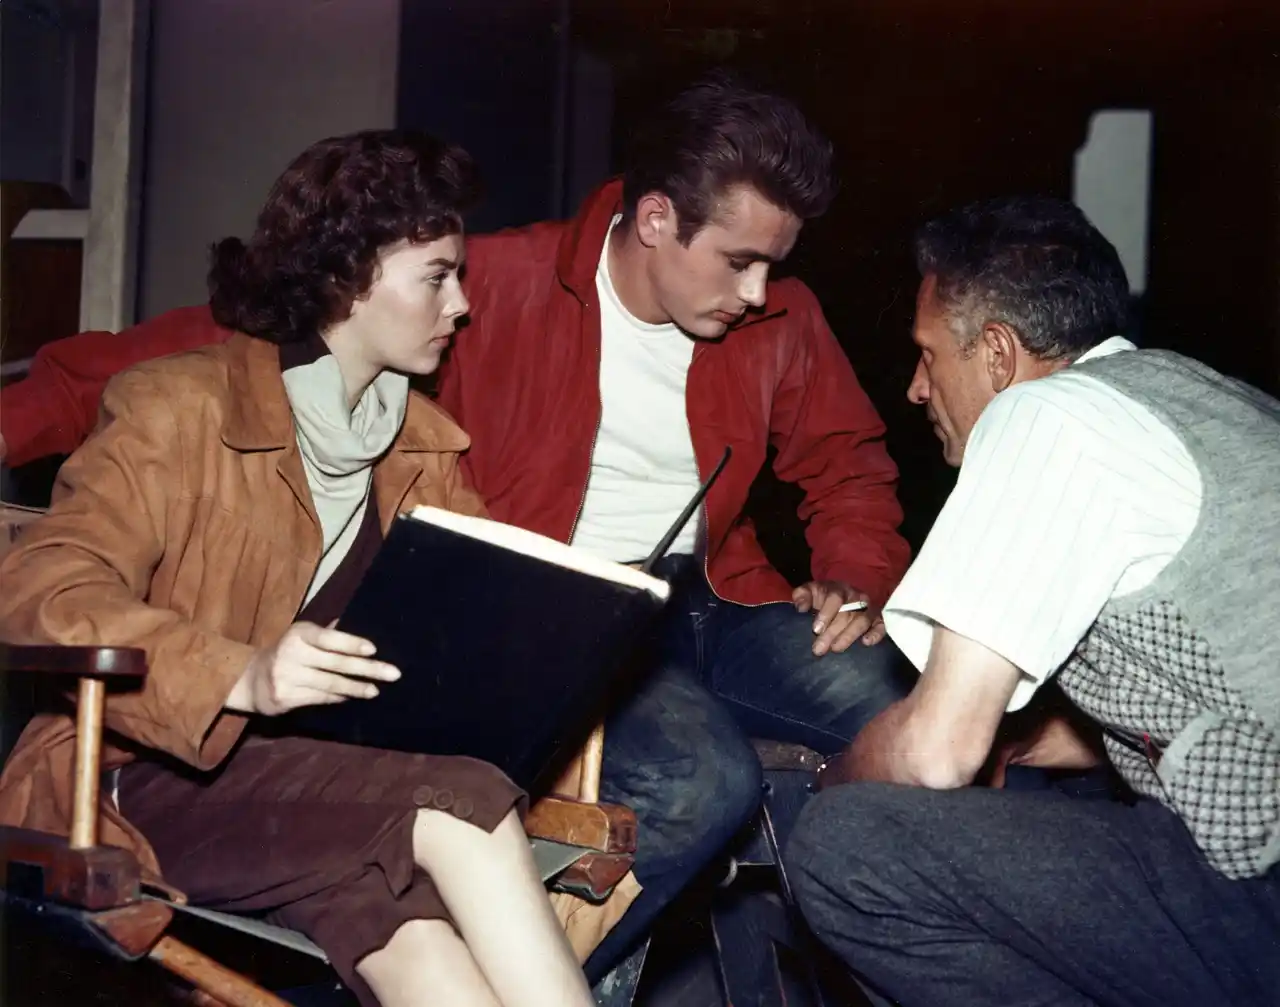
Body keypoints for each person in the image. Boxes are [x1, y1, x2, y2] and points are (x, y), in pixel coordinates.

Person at [0, 74, 912, 976]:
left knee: (902, 705)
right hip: (559, 613)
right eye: (738, 260)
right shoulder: (494, 287)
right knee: (694, 779)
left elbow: (848, 463)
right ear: (657, 218)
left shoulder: (430, 442)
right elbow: (216, 347)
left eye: (772, 264)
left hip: (713, 600)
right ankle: (547, 969)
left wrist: (855, 576)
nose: (759, 290)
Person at [0, 130, 598, 1007]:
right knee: (462, 802)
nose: (463, 303)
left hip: (324, 792)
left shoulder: (425, 449)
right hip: (139, 784)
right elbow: (40, 588)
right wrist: (241, 672)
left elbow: (472, 630)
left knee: (425, 953)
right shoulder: (177, 406)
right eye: (437, 276)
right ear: (347, 277)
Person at [785, 195, 1280, 1006]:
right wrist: (1030, 738)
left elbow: (936, 753)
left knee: (846, 845)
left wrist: (832, 778)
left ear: (996, 353)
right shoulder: (1201, 395)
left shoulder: (1043, 414)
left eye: (927, 354)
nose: (916, 388)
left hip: (1262, 882)